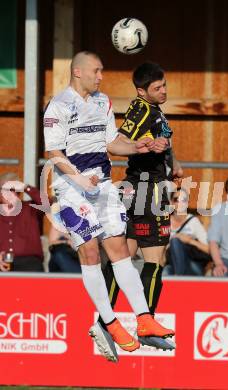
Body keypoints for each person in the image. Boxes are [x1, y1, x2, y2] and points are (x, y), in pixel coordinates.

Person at [43, 51, 175, 363]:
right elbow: (53, 151)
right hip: (71, 188)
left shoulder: (103, 101)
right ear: (78, 72)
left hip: (102, 185)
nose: (101, 77)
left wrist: (139, 146)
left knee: (119, 251)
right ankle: (110, 324)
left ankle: (143, 318)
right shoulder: (59, 104)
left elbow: (111, 141)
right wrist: (78, 180)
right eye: (96, 71)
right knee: (90, 253)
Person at [96, 62, 182, 351]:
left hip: (138, 188)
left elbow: (163, 143)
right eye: (157, 88)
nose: (163, 91)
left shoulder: (154, 110)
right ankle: (146, 325)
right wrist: (142, 145)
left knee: (125, 258)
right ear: (141, 90)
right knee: (155, 259)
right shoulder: (142, 109)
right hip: (149, 190)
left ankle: (104, 324)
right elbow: (119, 140)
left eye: (164, 85)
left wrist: (174, 163)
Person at [0, 173, 44, 272]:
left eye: (12, 190)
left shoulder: (31, 208)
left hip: (30, 262)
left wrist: (25, 187)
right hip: (3, 262)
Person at [163, 188, 210, 276]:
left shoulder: (193, 221)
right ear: (171, 203)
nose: (180, 203)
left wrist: (189, 241)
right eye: (176, 199)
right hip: (171, 264)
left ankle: (179, 279)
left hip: (192, 265)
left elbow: (209, 249)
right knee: (165, 272)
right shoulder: (164, 222)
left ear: (187, 203)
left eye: (183, 200)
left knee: (175, 241)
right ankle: (179, 278)